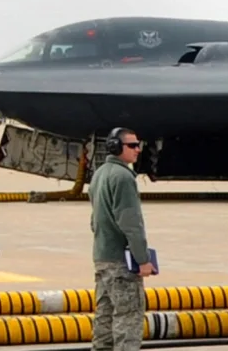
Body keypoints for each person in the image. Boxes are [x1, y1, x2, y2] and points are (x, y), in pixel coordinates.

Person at [89, 127, 154, 351]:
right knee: (128, 321)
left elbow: (94, 220)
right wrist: (143, 259)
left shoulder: (100, 174)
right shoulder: (123, 177)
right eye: (132, 146)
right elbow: (131, 224)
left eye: (139, 145)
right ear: (117, 147)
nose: (138, 150)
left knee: (104, 322)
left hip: (102, 258)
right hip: (120, 263)